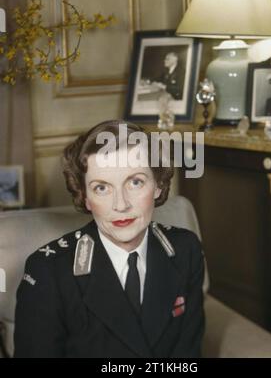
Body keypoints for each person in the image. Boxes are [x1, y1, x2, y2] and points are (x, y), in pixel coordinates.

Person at [14, 120, 205, 358]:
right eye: (101, 188)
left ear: (158, 185)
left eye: (135, 182)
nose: (121, 205)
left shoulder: (184, 249)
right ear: (84, 197)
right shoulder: (48, 271)